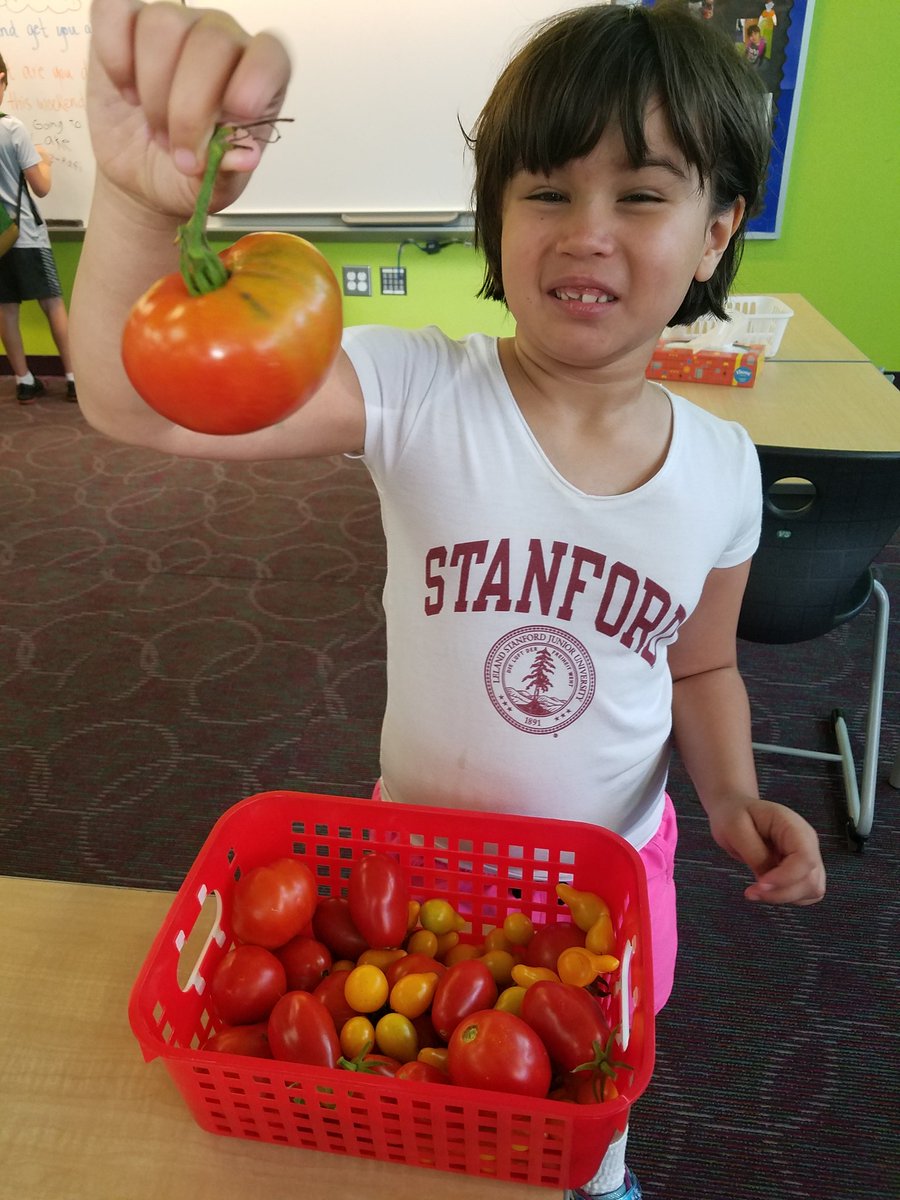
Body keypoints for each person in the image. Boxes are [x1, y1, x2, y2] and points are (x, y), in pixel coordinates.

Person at [72, 2, 826, 1197]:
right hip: (407, 873)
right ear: (494, 218)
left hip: (610, 888)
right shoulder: (418, 386)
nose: (587, 233)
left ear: (719, 228)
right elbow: (138, 404)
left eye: (640, 195)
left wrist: (735, 795)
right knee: (413, 1134)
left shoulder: (724, 473)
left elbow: (702, 666)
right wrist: (143, 206)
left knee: (579, 1128)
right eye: (544, 191)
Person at [0, 55, 76, 404]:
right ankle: (75, 378)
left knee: (5, 308)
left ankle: (24, 380)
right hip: (25, 234)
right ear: (1, 79)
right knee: (53, 303)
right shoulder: (12, 128)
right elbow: (41, 186)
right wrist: (44, 160)